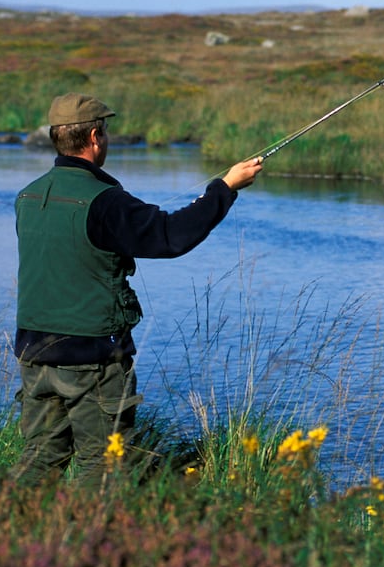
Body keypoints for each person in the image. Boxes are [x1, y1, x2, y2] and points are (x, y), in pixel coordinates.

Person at [13, 92, 262, 488]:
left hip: (33, 355)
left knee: (40, 458)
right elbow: (170, 237)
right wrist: (226, 187)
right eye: (106, 132)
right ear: (95, 137)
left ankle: (4, 532)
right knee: (105, 465)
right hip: (90, 357)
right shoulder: (104, 202)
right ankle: (91, 544)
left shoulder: (27, 196)